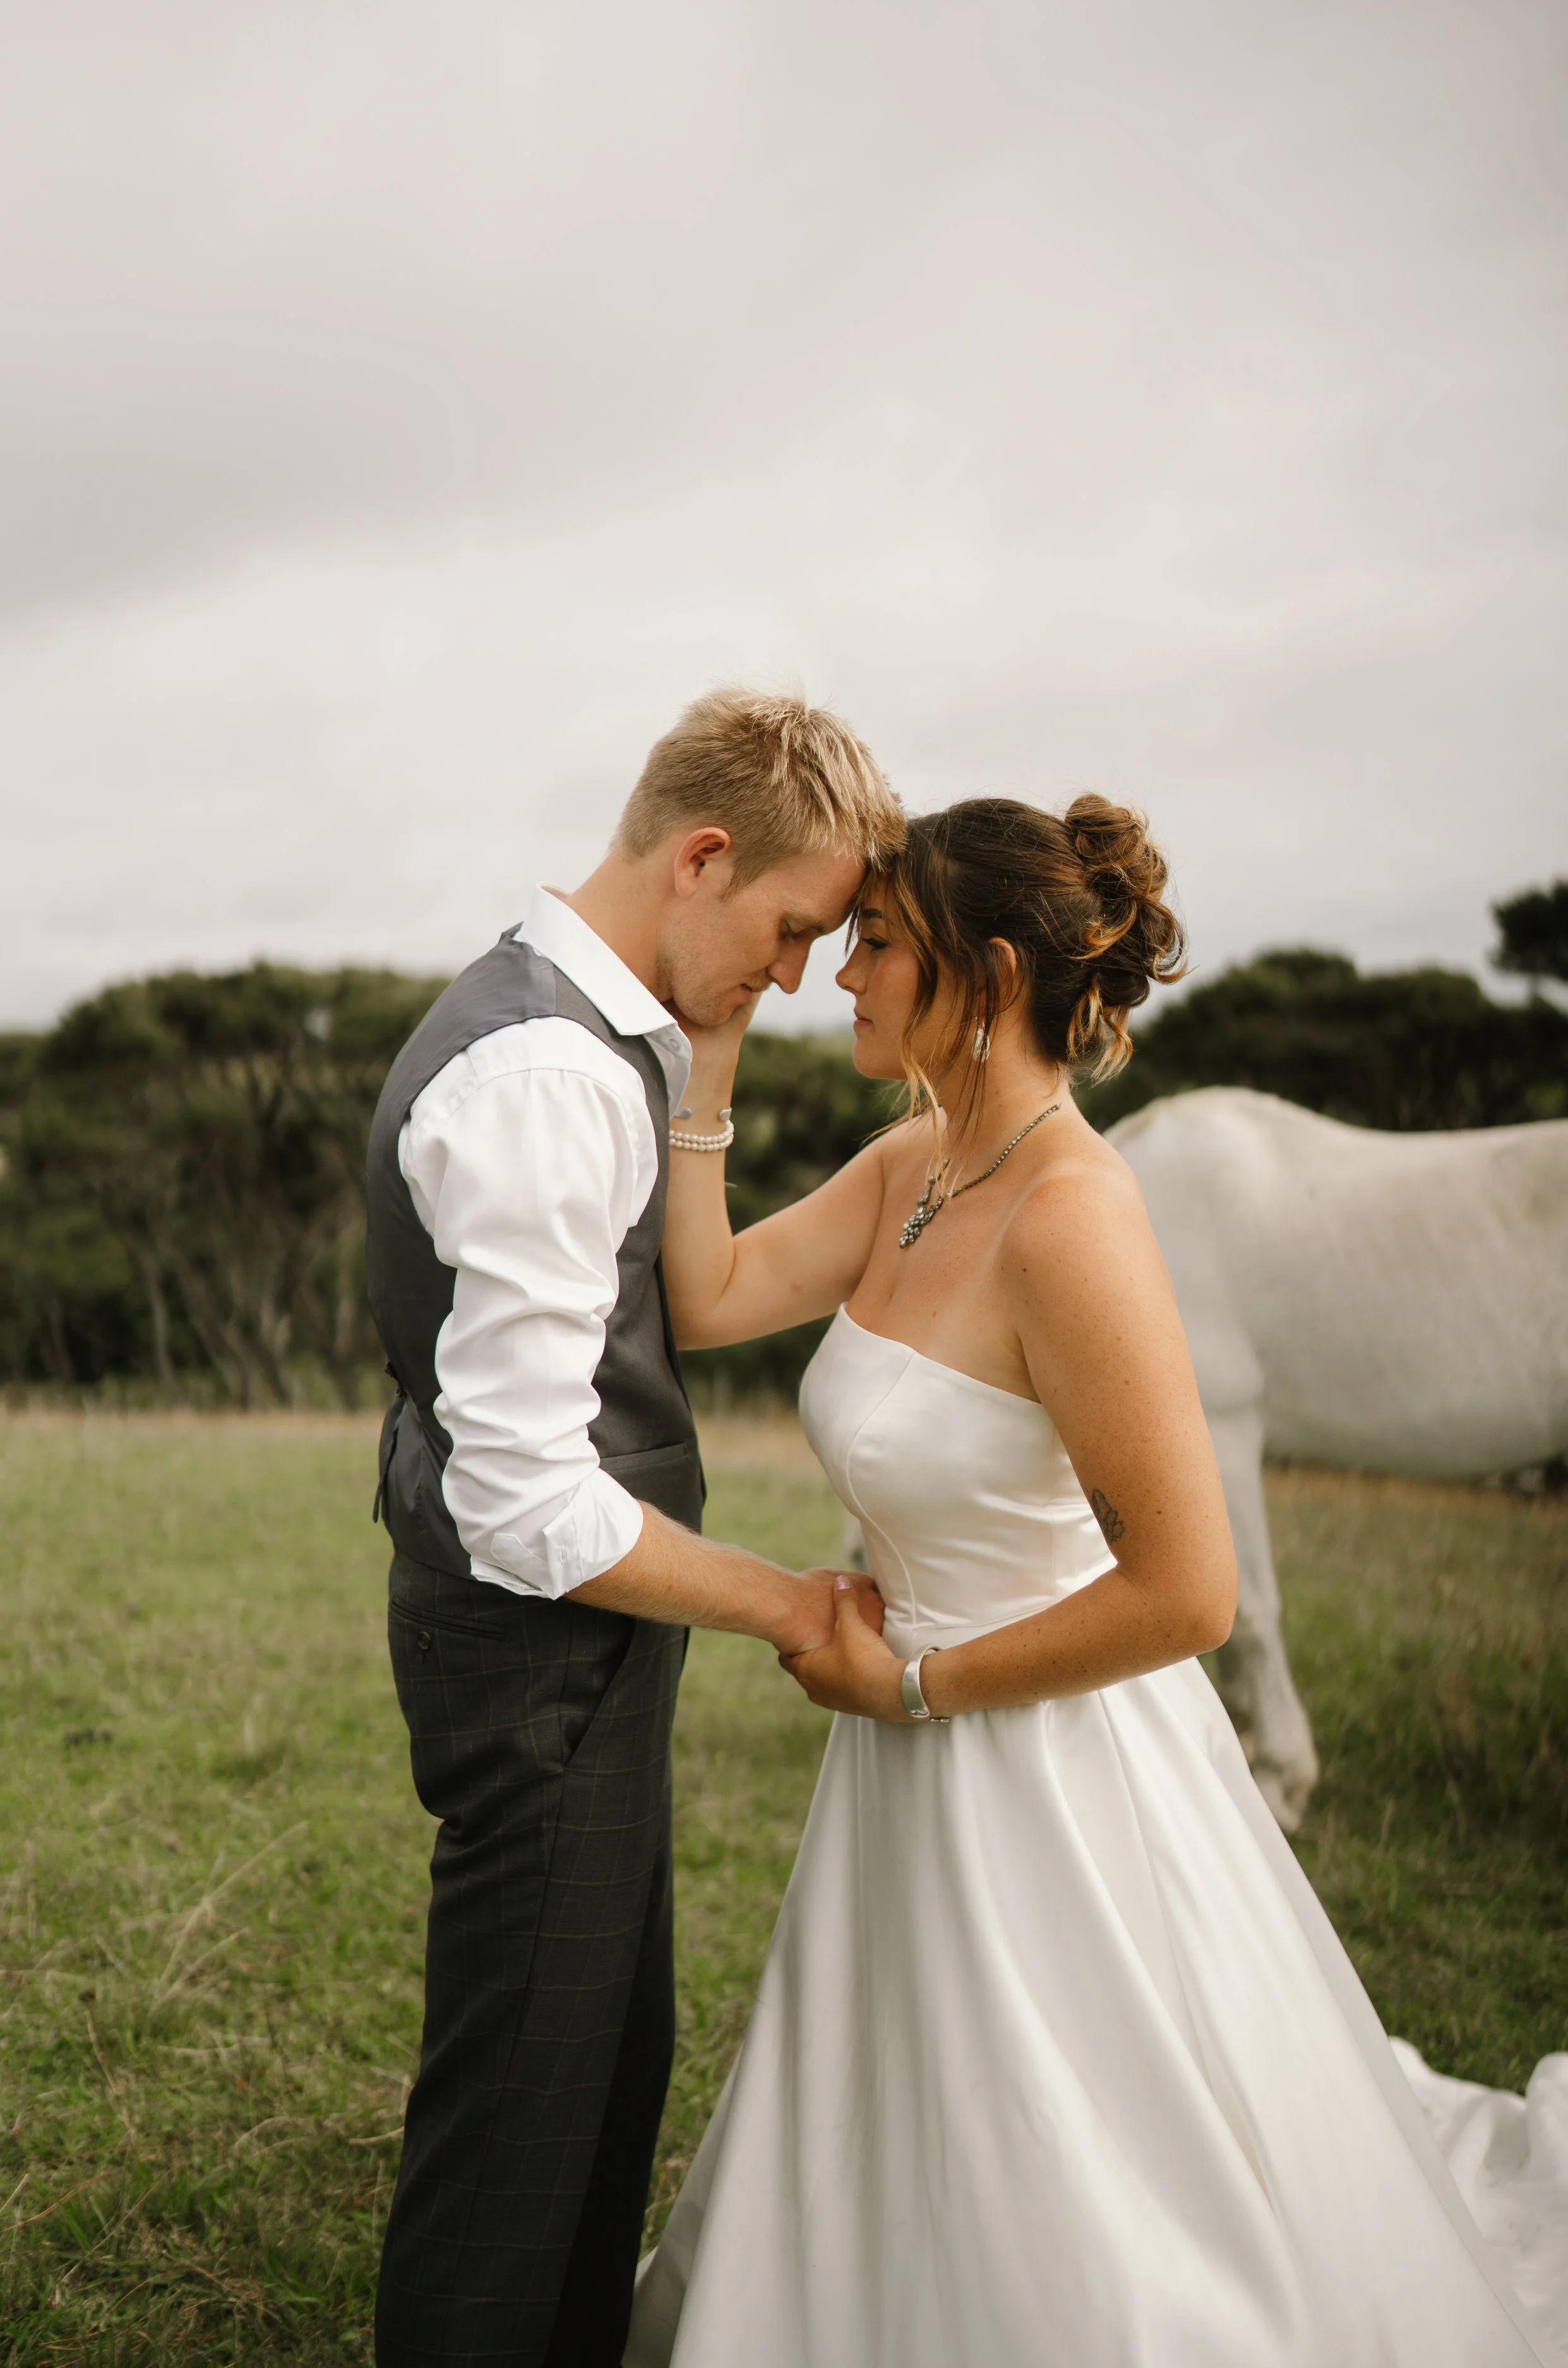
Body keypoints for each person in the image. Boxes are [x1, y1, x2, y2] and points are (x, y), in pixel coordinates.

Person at [624, 796, 1562, 2367]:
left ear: (983, 976)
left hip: (1049, 1771)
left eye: (875, 946)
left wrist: (910, 1682)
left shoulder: (1074, 1221)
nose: (838, 976)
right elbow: (708, 1292)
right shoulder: (911, 1162)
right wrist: (706, 1046)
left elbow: (1189, 1593)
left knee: (1072, 2159)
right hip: (897, 1781)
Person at [364, 690, 904, 2368]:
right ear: (700, 854)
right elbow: (524, 1495)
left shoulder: (589, 1045)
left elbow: (661, 1301)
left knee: (600, 2069)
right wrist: (790, 1604)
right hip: (541, 1650)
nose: (803, 975)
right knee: (518, 2133)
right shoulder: (544, 1078)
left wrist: (706, 1065)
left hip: (573, 1650)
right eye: (792, 928)